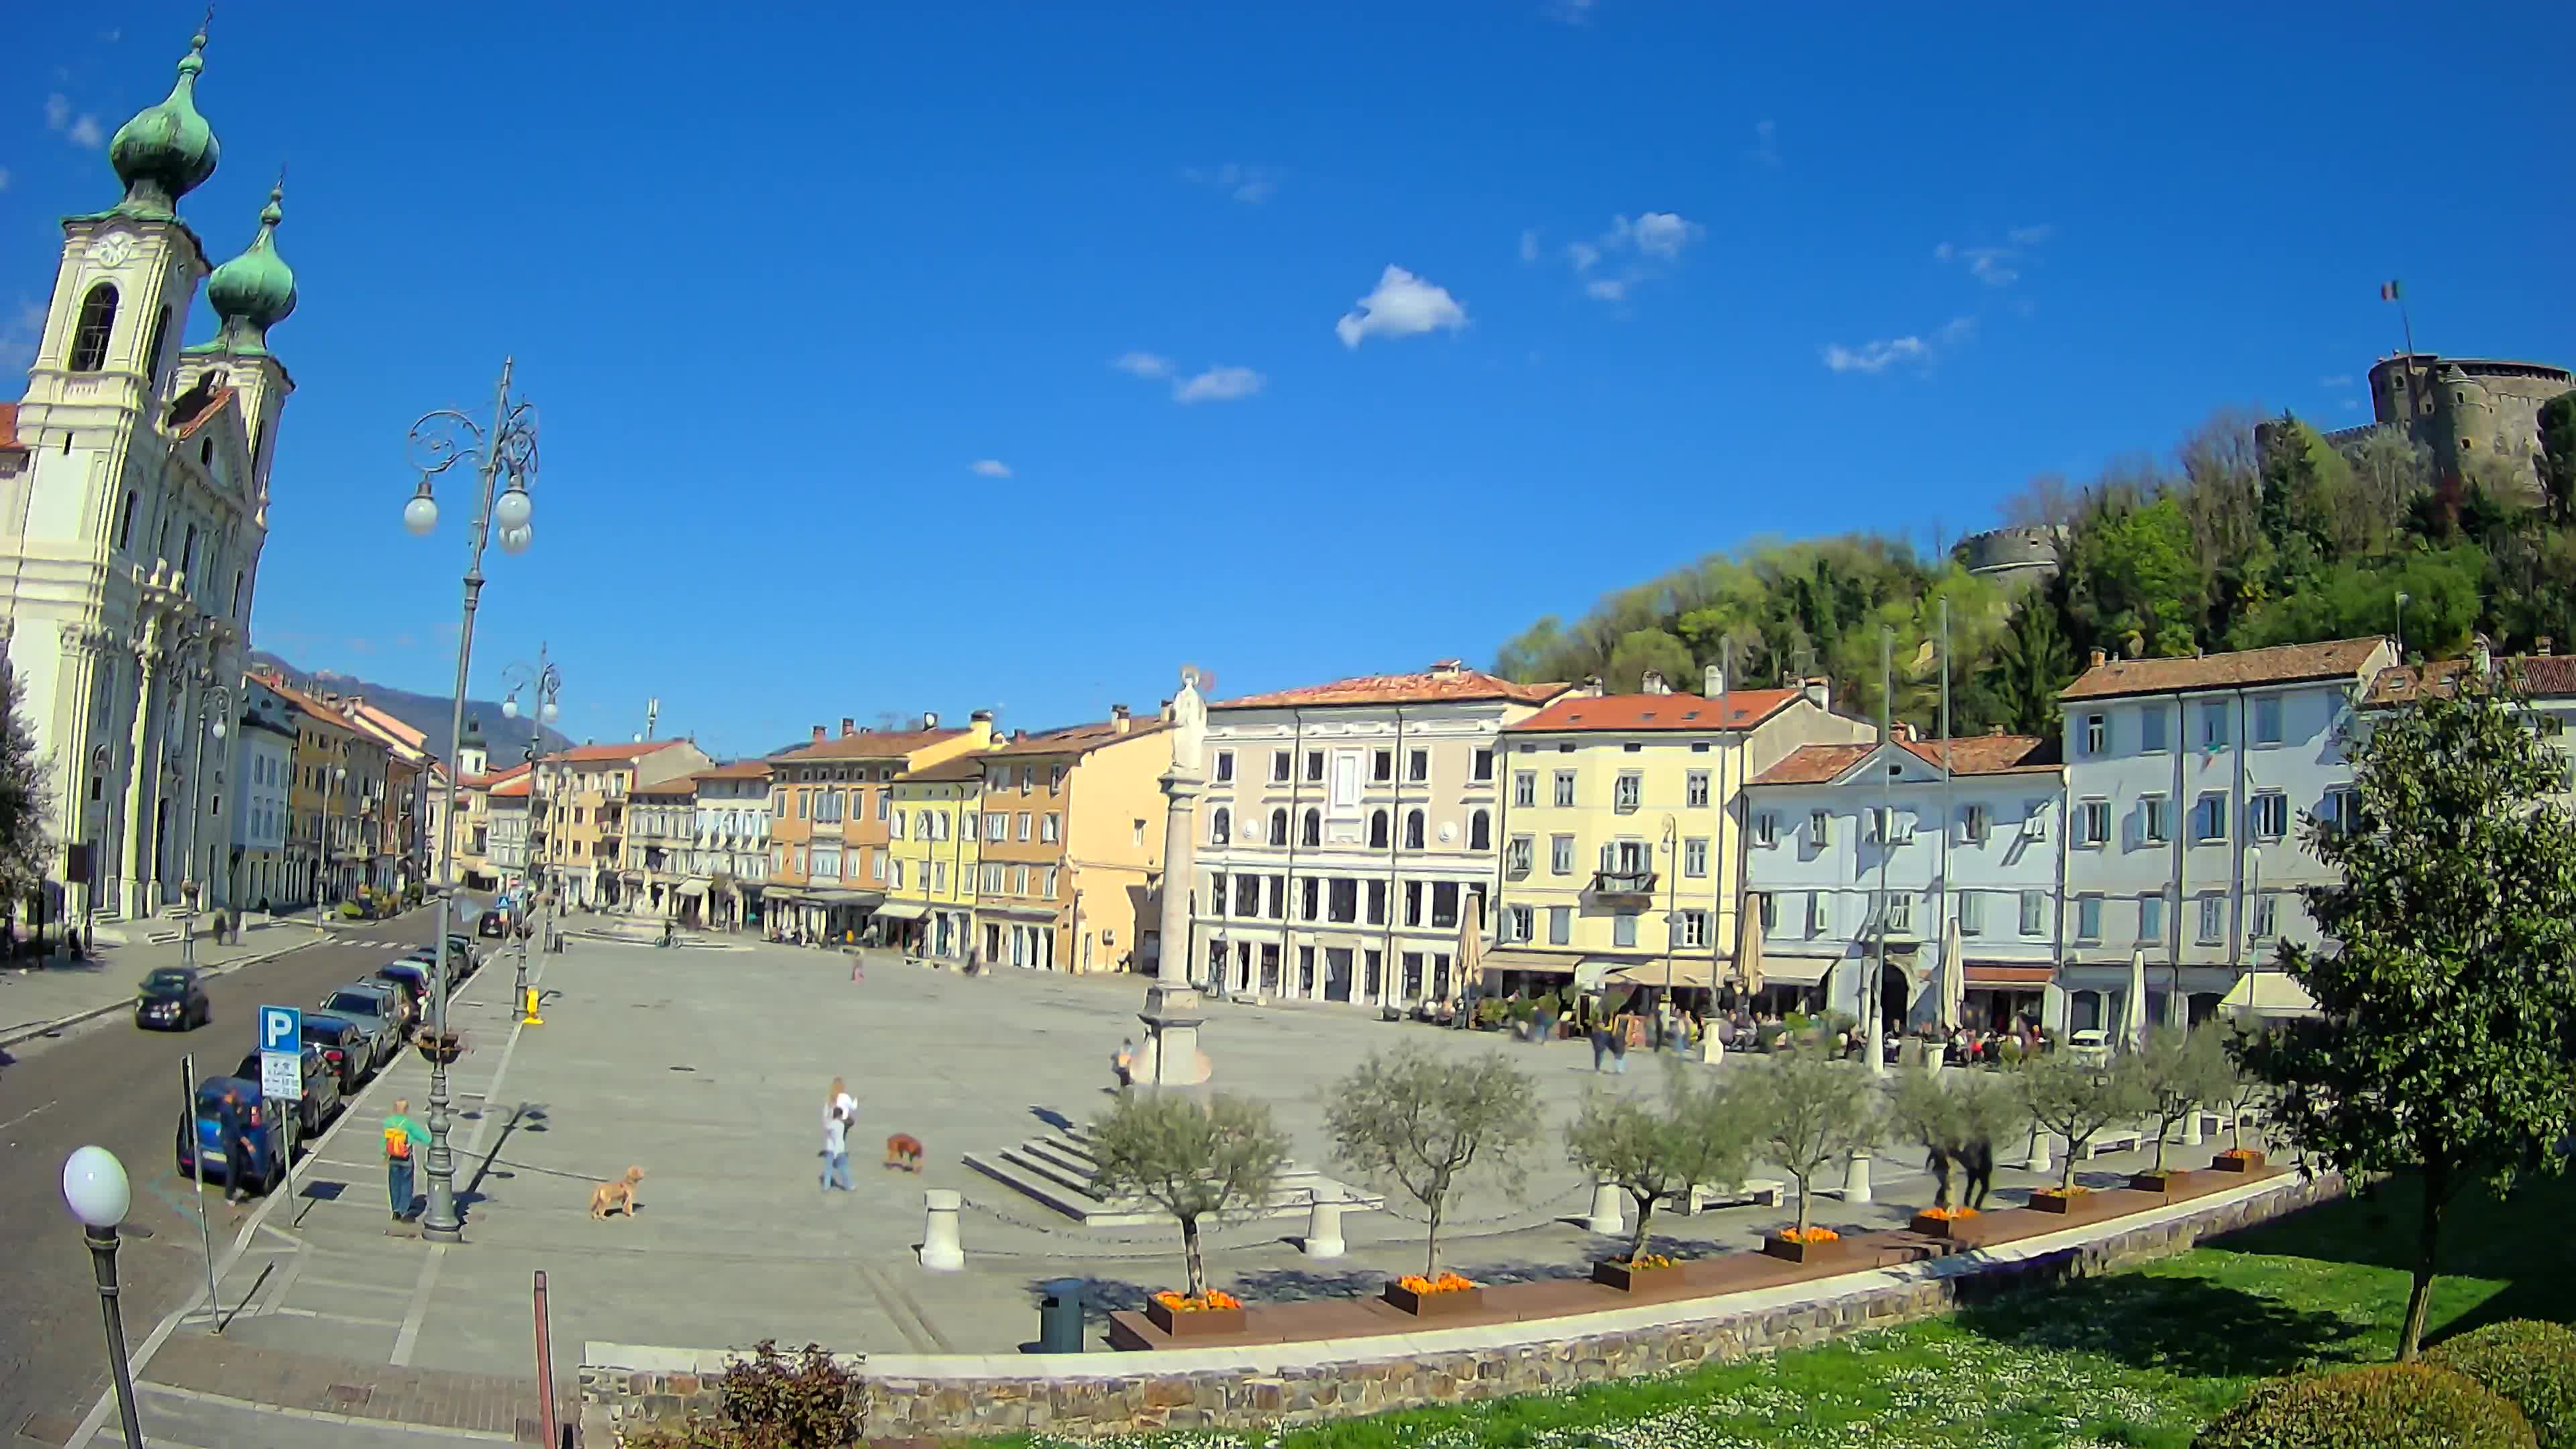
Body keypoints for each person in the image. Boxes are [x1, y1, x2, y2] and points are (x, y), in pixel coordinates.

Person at [382, 1097, 429, 1221]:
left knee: (394, 1183)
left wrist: (384, 1155)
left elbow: (385, 1141)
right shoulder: (408, 1124)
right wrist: (433, 1143)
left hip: (393, 1157)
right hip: (406, 1157)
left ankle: (396, 1210)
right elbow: (421, 1136)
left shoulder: (388, 1123)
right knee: (406, 1183)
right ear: (405, 1110)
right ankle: (404, 1210)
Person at [215, 1085, 258, 1203]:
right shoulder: (228, 1110)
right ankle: (229, 1196)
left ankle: (235, 1188)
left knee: (241, 1162)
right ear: (231, 1093)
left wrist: (238, 1104)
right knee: (232, 1168)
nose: (237, 1094)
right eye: (235, 1093)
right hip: (230, 1142)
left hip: (231, 1140)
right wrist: (249, 1145)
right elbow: (237, 1131)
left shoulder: (226, 1104)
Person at [820, 1103, 853, 1191]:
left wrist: (826, 1112)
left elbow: (826, 1125)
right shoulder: (841, 1125)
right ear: (840, 1116)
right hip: (840, 1151)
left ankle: (826, 1187)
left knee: (828, 1170)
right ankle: (849, 1186)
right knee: (844, 1169)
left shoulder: (831, 1124)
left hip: (831, 1150)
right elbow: (850, 1121)